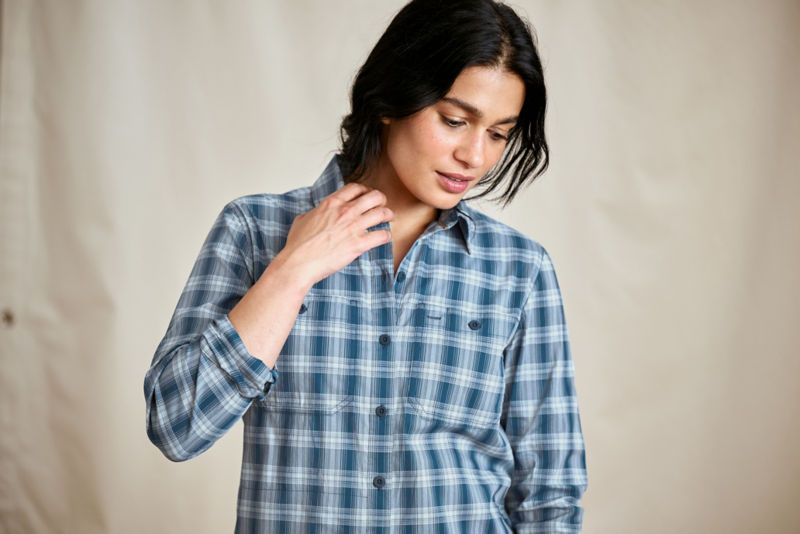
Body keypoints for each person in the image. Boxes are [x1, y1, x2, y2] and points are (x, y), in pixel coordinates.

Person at [144, 0, 587, 531]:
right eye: (454, 120)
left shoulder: (519, 270)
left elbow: (549, 493)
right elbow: (176, 428)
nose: (475, 156)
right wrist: (291, 271)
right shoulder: (253, 231)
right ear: (392, 100)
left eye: (498, 133)